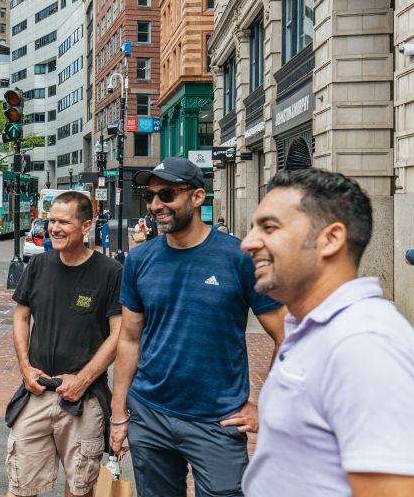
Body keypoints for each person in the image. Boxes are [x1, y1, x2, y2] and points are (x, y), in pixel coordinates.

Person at [109, 157, 286, 497]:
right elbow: (129, 339)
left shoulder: (239, 258)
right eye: (151, 196)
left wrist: (266, 406)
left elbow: (286, 336)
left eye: (167, 195)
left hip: (217, 420)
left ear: (197, 197)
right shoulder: (139, 260)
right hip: (150, 415)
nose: (156, 204)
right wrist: (119, 414)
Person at [239, 169, 414, 497]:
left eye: (269, 227)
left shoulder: (364, 344)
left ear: (331, 239)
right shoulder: (314, 329)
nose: (248, 242)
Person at [7, 191, 122, 497]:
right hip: (37, 390)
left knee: (80, 488)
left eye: (63, 222)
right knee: (20, 485)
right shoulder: (38, 265)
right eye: (50, 221)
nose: (53, 228)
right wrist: (25, 367)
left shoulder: (110, 272)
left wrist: (82, 380)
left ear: (86, 226)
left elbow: (119, 335)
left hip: (84, 398)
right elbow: (20, 318)